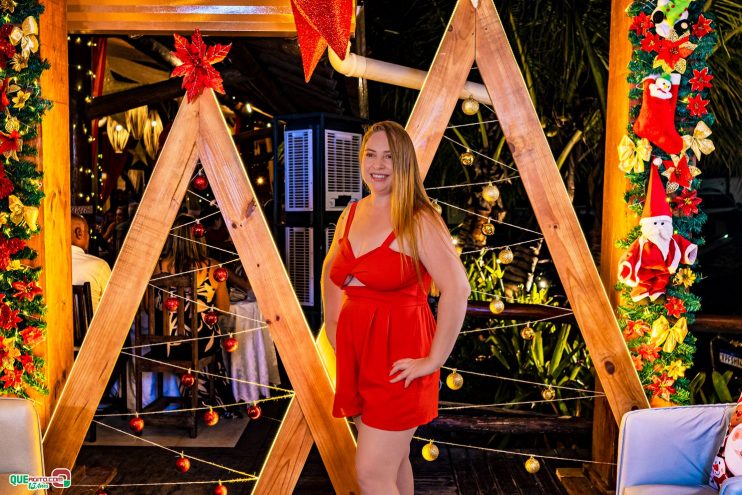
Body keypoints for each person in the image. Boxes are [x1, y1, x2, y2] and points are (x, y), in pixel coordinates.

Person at [321, 121, 471, 494]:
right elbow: (330, 272)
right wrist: (333, 325)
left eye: (388, 157)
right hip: (357, 355)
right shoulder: (351, 212)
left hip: (398, 359)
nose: (378, 165)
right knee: (394, 461)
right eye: (370, 155)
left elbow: (457, 289)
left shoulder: (418, 218)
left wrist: (434, 360)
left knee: (371, 473)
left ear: (404, 162)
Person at [150, 214, 237, 411]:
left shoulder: (156, 266)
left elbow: (148, 309)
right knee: (209, 335)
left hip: (163, 345)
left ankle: (190, 392)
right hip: (199, 345)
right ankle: (206, 398)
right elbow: (223, 309)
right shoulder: (213, 267)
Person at [71, 214, 112, 312]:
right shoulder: (99, 266)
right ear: (79, 233)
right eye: (87, 232)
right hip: (92, 323)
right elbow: (112, 307)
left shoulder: (45, 267)